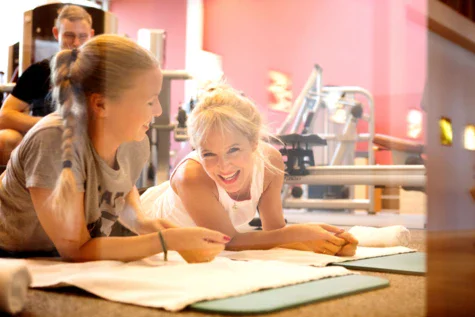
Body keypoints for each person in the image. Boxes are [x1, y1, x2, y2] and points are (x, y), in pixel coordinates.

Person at [0, 34, 229, 263]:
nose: (158, 110)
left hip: (51, 258)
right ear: (101, 104)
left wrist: (149, 225)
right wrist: (167, 241)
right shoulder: (53, 140)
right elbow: (75, 249)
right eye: (149, 101)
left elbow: (121, 190)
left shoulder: (135, 142)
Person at [141, 85, 358, 255]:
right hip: (138, 227)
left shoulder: (269, 162)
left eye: (233, 150)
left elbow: (274, 231)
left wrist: (327, 240)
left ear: (254, 142)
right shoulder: (192, 176)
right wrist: (300, 234)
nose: (224, 166)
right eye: (209, 154)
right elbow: (228, 241)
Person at [0, 5, 95, 165]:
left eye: (82, 36)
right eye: (69, 35)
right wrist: (50, 124)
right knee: (4, 138)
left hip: (87, 140)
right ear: (56, 34)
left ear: (91, 35)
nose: (76, 43)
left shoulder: (99, 73)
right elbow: (4, 115)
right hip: (44, 138)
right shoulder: (40, 71)